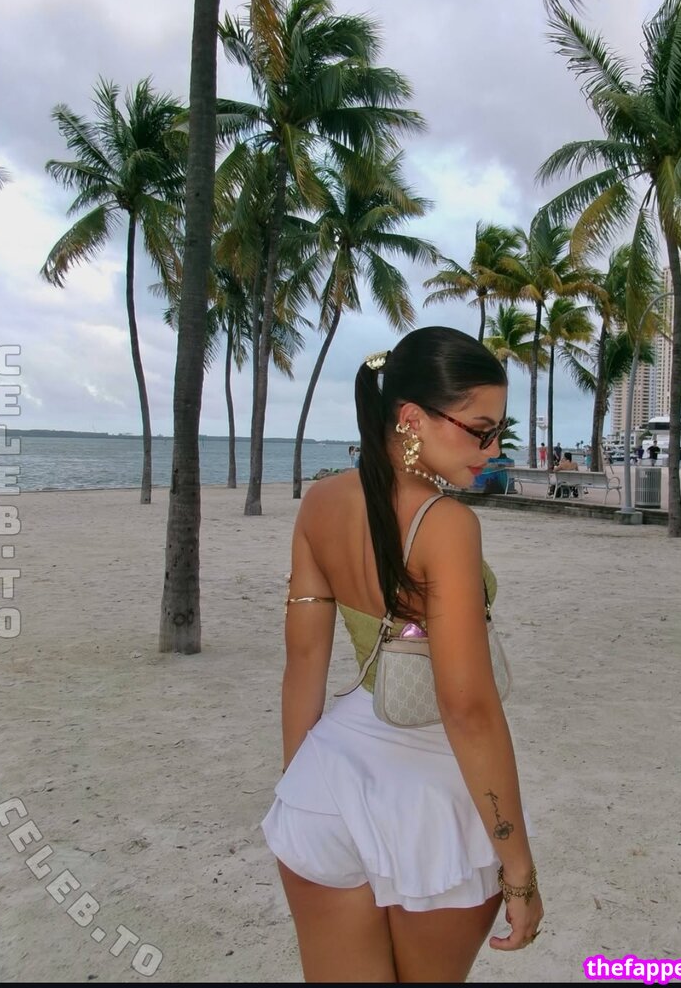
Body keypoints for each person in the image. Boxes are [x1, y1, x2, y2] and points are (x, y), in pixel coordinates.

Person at [260, 327, 542, 983]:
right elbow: (466, 709)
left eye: (498, 433)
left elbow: (303, 666)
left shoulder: (320, 503)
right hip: (429, 798)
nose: (493, 451)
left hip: (324, 788)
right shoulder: (446, 524)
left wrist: (305, 787)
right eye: (480, 431)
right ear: (411, 419)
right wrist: (520, 869)